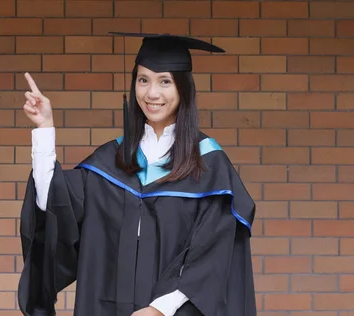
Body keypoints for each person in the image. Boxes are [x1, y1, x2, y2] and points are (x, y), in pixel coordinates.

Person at [17, 32, 257, 316]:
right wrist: (45, 129)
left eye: (164, 81)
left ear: (184, 89)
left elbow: (213, 257)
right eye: (143, 80)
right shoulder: (110, 162)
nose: (151, 93)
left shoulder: (209, 168)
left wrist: (159, 309)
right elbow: (54, 206)